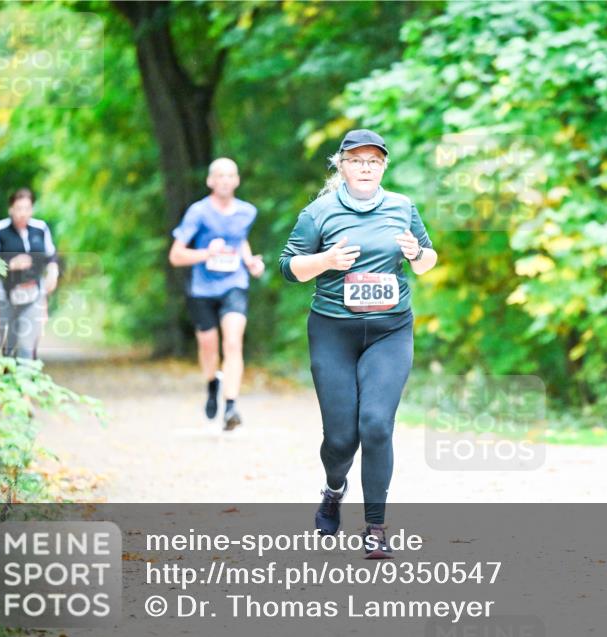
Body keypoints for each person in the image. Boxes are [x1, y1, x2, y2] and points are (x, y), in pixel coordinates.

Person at [279, 129, 438, 559]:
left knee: (376, 425)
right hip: (333, 332)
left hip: (390, 330)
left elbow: (428, 260)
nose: (365, 168)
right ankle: (334, 489)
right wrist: (326, 261)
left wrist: (416, 254)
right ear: (342, 165)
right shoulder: (319, 212)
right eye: (356, 160)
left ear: (383, 167)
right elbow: (288, 267)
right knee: (341, 439)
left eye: (374, 161)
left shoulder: (402, 207)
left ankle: (376, 527)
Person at [168, 158, 265, 431]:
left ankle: (231, 406)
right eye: (219, 176)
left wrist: (250, 262)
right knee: (208, 346)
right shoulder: (198, 212)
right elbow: (176, 255)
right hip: (202, 288)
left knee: (233, 343)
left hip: (234, 283)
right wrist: (206, 254)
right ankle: (212, 384)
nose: (225, 180)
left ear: (237, 180)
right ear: (210, 181)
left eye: (230, 175)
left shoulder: (247, 211)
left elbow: (240, 240)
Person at [0, 188, 59, 359]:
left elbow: (51, 255)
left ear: (32, 209)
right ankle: (8, 373)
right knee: (7, 345)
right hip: (4, 295)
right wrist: (9, 265)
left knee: (27, 345)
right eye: (19, 208)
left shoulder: (40, 228)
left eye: (27, 208)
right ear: (11, 209)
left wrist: (53, 272)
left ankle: (27, 372)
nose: (23, 213)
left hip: (33, 293)